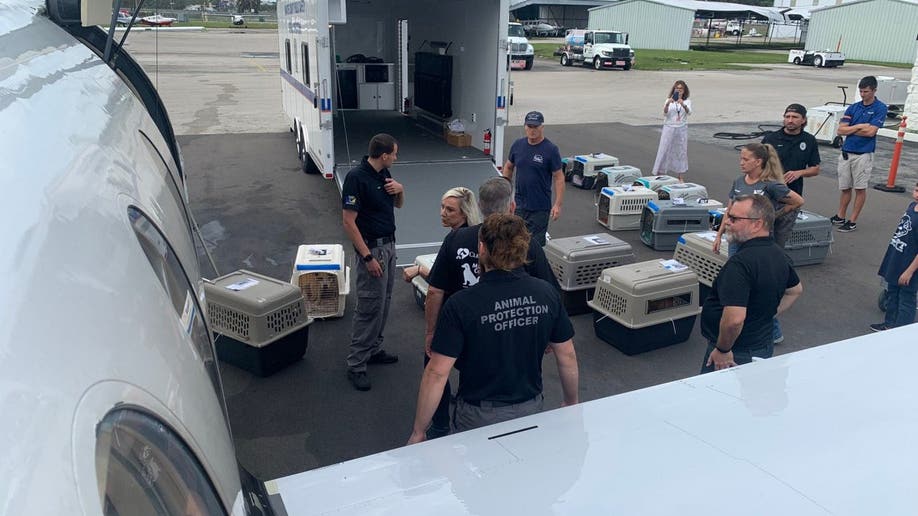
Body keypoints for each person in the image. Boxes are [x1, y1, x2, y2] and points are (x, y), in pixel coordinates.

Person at [407, 214, 579, 444]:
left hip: (477, 414)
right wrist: (571, 402)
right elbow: (566, 355)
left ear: (482, 248)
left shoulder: (461, 304)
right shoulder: (547, 294)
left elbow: (437, 373)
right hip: (531, 407)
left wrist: (419, 431)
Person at [420, 176, 558, 439]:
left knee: (438, 373)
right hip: (510, 330)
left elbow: (435, 290)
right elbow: (548, 288)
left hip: (460, 329)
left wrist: (431, 332)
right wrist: (552, 333)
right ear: (511, 206)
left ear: (480, 206)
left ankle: (439, 427)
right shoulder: (524, 244)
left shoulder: (457, 238)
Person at [700, 195, 803, 374]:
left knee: (716, 400)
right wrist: (765, 314)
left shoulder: (739, 264)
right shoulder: (778, 254)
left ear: (757, 224)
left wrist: (723, 350)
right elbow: (795, 290)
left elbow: (734, 320)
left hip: (734, 353)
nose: (726, 223)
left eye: (734, 219)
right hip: (762, 346)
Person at [341, 133, 404, 391]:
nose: (397, 158)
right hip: (373, 250)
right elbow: (348, 222)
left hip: (389, 246)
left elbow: (397, 205)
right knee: (368, 306)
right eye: (395, 153)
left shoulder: (384, 175)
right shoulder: (357, 178)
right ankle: (356, 364)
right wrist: (367, 257)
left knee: (384, 303)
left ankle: (374, 348)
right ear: (384, 155)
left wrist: (401, 190)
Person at [713, 143, 805, 256]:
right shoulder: (738, 182)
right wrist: (719, 236)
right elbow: (729, 211)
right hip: (736, 239)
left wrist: (773, 216)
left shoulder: (771, 185)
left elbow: (798, 201)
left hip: (758, 241)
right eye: (741, 159)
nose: (741, 163)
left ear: (758, 162)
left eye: (746, 160)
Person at [832, 75, 888, 233]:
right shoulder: (853, 107)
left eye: (866, 91)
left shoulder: (880, 108)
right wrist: (859, 127)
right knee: (845, 187)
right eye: (861, 91)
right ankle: (840, 215)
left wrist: (853, 129)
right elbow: (840, 129)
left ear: (874, 90)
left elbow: (871, 132)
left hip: (863, 154)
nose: (863, 94)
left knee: (860, 188)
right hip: (846, 153)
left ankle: (853, 220)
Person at [501, 111, 564, 246]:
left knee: (534, 246)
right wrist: (505, 190)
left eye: (535, 127)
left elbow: (559, 177)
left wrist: (558, 204)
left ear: (542, 127)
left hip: (540, 208)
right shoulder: (518, 145)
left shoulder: (551, 150)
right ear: (525, 126)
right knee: (514, 242)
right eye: (529, 126)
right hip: (518, 205)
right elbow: (508, 166)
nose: (532, 130)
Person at [403, 187, 480, 282]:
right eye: (442, 207)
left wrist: (419, 270)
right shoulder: (474, 235)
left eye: (450, 210)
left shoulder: (455, 240)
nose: (443, 213)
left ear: (465, 213)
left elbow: (440, 281)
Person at [871, 182, 918, 332]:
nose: (916, 193)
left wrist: (910, 271)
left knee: (906, 298)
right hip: (897, 256)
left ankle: (901, 331)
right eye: (917, 189)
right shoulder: (912, 206)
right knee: (892, 292)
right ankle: (889, 323)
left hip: (910, 263)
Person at [761, 103, 821, 197]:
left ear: (804, 120)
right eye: (787, 117)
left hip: (793, 192)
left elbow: (815, 169)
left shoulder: (809, 140)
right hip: (768, 189)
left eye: (795, 117)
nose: (790, 120)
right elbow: (757, 163)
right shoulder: (771, 138)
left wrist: (799, 173)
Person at [651, 80, 692, 182]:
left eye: (681, 89)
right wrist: (668, 104)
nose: (679, 90)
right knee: (664, 149)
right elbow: (665, 113)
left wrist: (683, 104)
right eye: (677, 88)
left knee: (681, 151)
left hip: (681, 127)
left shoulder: (687, 101)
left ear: (684, 90)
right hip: (669, 126)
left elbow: (689, 112)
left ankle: (680, 176)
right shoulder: (668, 100)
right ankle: (660, 172)